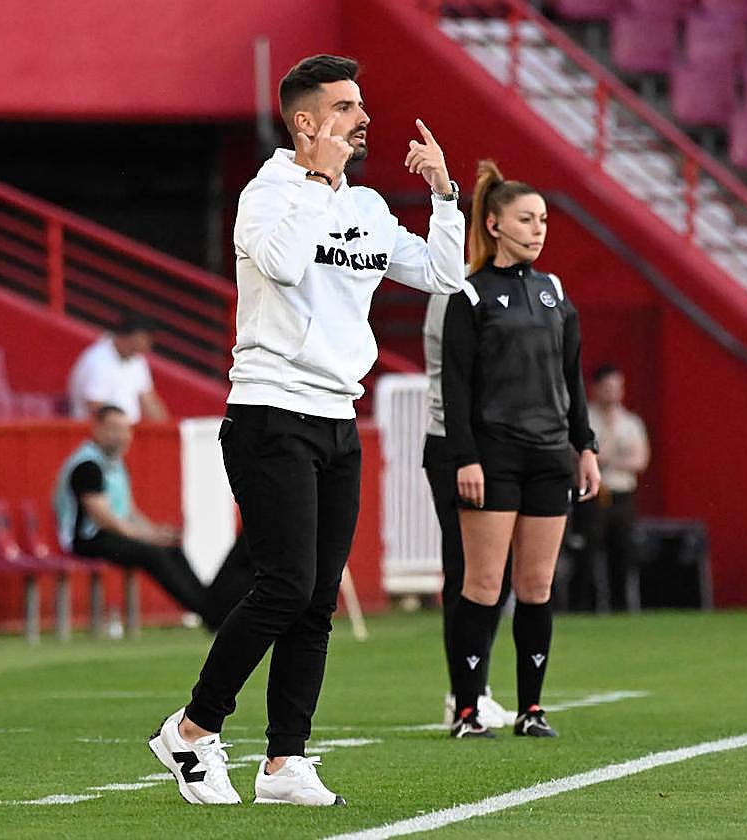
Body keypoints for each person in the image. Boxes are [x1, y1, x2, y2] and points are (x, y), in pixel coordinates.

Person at [148, 53, 465, 806]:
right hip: (270, 411)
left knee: (317, 599)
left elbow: (444, 275)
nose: (363, 117)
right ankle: (192, 730)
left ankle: (284, 762)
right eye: (346, 106)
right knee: (284, 585)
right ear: (306, 121)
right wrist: (317, 183)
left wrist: (444, 195)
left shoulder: (367, 208)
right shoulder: (267, 194)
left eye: (360, 105)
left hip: (338, 418)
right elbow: (286, 266)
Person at [442, 160, 600, 739]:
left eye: (543, 220)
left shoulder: (554, 291)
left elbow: (571, 376)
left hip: (549, 457)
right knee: (483, 587)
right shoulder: (469, 294)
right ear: (494, 224)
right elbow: (455, 385)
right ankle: (467, 709)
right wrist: (466, 456)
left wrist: (585, 446)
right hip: (494, 457)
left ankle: (531, 709)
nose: (538, 230)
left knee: (536, 588)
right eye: (527, 219)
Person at [53, 404, 244, 631]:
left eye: (125, 430)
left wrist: (155, 532)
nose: (121, 436)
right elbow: (104, 519)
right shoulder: (87, 466)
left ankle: (207, 605)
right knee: (153, 553)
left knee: (169, 546)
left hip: (109, 534)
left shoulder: (114, 464)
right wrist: (148, 537)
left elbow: (128, 511)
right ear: (97, 429)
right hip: (86, 540)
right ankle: (209, 612)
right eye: (114, 429)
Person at [422, 294, 516, 731]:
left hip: (496, 443)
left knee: (496, 572)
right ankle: (464, 694)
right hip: (457, 444)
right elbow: (454, 374)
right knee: (467, 571)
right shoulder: (455, 290)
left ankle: (475, 688)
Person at [570, 363, 651, 612]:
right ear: (595, 388)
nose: (613, 393)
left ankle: (620, 607)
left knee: (622, 552)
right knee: (586, 553)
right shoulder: (584, 419)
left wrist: (609, 459)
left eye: (617, 388)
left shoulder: (631, 422)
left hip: (621, 494)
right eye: (607, 388)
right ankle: (583, 608)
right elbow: (580, 454)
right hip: (592, 493)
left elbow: (640, 460)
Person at [67, 312, 170, 423]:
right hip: (97, 429)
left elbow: (147, 399)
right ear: (131, 335)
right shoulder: (98, 360)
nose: (148, 345)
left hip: (126, 428)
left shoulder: (137, 359)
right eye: (145, 338)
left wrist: (165, 427)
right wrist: (122, 428)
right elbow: (95, 407)